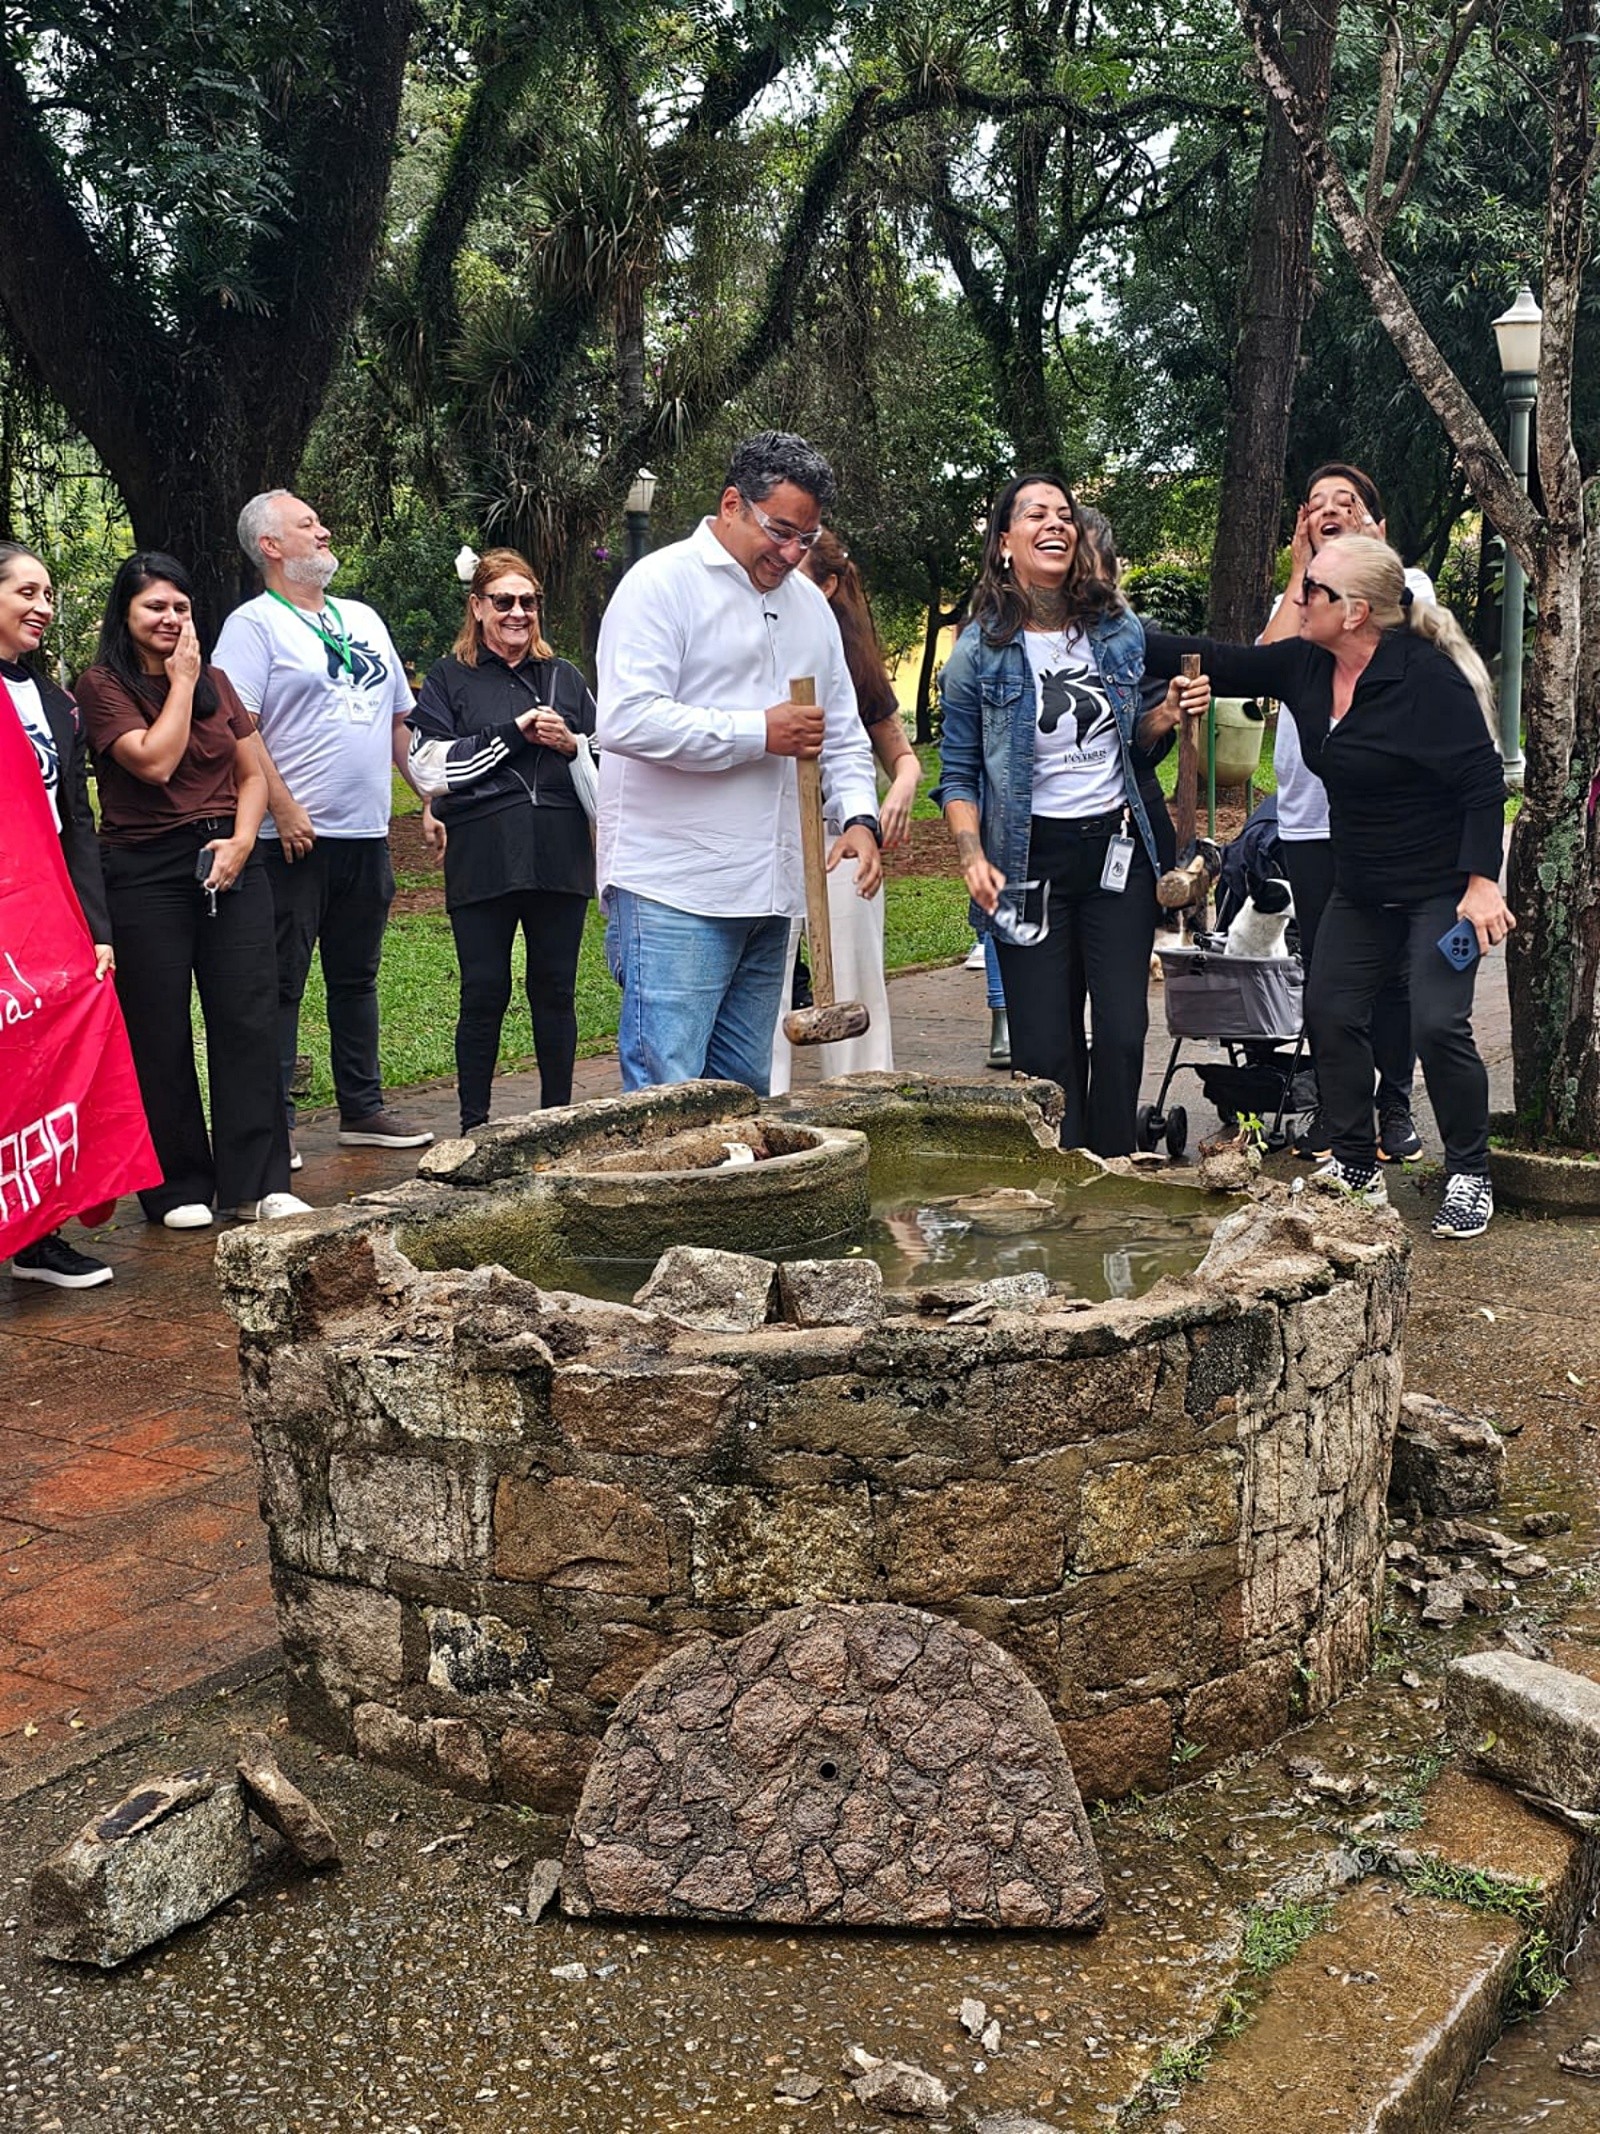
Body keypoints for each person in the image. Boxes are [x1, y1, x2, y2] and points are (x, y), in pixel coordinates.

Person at [1145, 535, 1510, 1237]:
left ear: (1357, 613)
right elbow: (1222, 660)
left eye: (1315, 590)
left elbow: (1482, 786)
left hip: (1439, 888)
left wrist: (1482, 885)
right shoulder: (1306, 666)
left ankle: (1469, 1172)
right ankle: (1355, 1165)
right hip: (1362, 884)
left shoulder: (1427, 679)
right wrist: (1105, 623)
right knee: (1332, 1013)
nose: (1301, 597)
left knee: (1438, 1023)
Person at [595, 432, 881, 1095]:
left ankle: (729, 1198)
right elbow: (627, 718)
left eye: (805, 540)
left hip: (772, 888)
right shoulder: (659, 586)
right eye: (779, 530)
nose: (790, 553)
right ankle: (668, 1203)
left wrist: (859, 815)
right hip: (675, 887)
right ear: (732, 504)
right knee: (667, 1092)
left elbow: (838, 729)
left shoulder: (809, 606)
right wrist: (759, 733)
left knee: (746, 1092)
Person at [935, 474, 1205, 1155]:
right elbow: (959, 772)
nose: (1055, 523)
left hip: (1115, 854)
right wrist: (971, 854)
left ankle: (1112, 1177)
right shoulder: (977, 652)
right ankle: (1061, 1182)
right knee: (1044, 1046)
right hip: (1026, 866)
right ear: (1004, 544)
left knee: (1120, 1031)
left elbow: (1132, 742)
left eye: (1064, 514)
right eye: (1036, 514)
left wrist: (1165, 715)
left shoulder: (1116, 632)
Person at [74, 553, 308, 1226]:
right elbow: (154, 760)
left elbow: (253, 772)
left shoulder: (219, 682)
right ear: (125, 615)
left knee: (248, 1018)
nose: (171, 618)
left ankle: (256, 1182)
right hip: (145, 868)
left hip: (229, 859)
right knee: (159, 1027)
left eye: (180, 607)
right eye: (155, 607)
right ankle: (176, 1188)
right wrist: (180, 682)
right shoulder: (101, 686)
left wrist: (241, 842)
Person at [213, 492, 432, 1161]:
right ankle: (271, 1124)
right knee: (280, 982)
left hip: (365, 835)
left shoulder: (361, 617)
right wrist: (280, 805)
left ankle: (360, 1108)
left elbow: (400, 719)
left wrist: (428, 794)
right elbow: (236, 726)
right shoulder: (253, 626)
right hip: (292, 840)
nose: (323, 530)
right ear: (271, 546)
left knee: (356, 977)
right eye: (307, 525)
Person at [1261, 462, 1433, 1162]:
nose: (1330, 509)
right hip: (1308, 818)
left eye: (1349, 503)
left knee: (1390, 971)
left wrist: (1366, 564)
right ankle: (1342, 1113)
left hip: (1387, 818)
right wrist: (1304, 576)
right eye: (1317, 505)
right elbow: (1263, 668)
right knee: (1329, 971)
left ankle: (1393, 1106)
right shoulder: (1296, 603)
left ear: (1378, 524)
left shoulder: (1409, 589)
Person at [407, 548, 595, 1130]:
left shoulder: (565, 677)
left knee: (555, 991)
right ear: (477, 606)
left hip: (559, 853)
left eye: (528, 602)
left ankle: (557, 1120)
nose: (517, 612)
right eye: (503, 601)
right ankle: (473, 1124)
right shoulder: (449, 679)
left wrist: (572, 745)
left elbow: (612, 767)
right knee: (484, 991)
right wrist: (511, 734)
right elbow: (427, 769)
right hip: (483, 854)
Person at [0, 543, 119, 1286]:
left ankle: (38, 1235)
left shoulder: (55, 702)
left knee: (40, 1066)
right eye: (26, 591)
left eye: (49, 593)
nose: (43, 605)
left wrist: (97, 929)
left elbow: (77, 821)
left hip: (46, 910)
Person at [769, 527, 919, 1092]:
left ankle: (865, 1100)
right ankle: (765, 1110)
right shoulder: (755, 635)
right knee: (765, 983)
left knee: (855, 981)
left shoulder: (852, 659)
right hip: (773, 834)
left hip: (840, 836)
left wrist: (893, 796)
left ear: (828, 586)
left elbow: (897, 754)